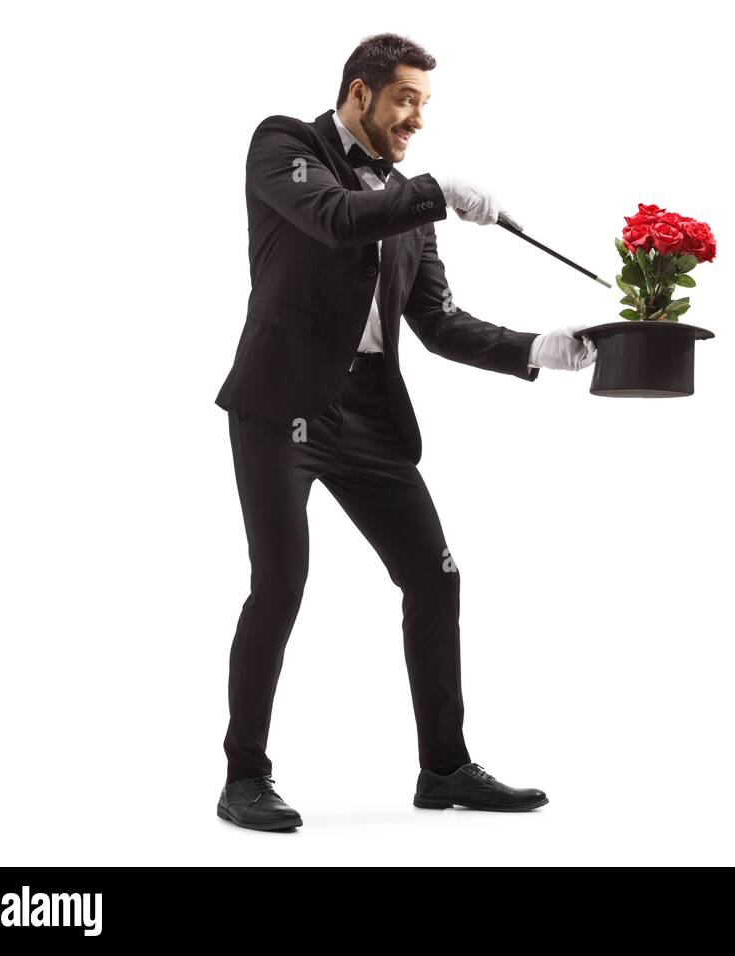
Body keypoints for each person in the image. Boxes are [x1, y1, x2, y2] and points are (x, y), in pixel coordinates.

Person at [213, 33, 596, 831]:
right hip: (280, 406)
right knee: (280, 586)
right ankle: (244, 777)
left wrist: (539, 349)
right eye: (405, 99)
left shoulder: (406, 204)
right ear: (360, 94)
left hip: (366, 416)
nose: (418, 117)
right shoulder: (286, 143)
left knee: (435, 576)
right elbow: (332, 215)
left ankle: (445, 768)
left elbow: (440, 323)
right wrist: (434, 191)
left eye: (426, 103)